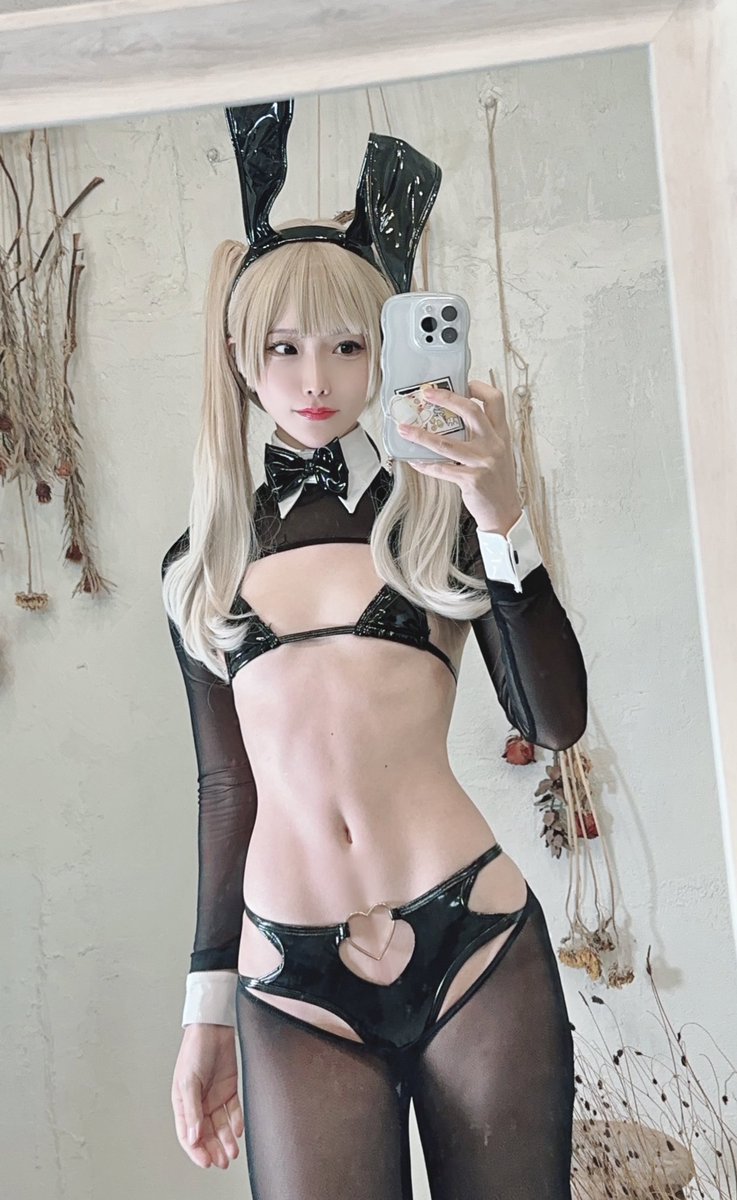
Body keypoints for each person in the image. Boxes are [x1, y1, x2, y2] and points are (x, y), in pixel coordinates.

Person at [161, 102, 587, 1200]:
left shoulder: (437, 517)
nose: (315, 378)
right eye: (284, 347)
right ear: (240, 358)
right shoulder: (200, 564)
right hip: (287, 971)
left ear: (386, 351)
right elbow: (226, 790)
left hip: (472, 936)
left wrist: (501, 510)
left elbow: (551, 723)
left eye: (348, 345)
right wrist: (205, 1012)